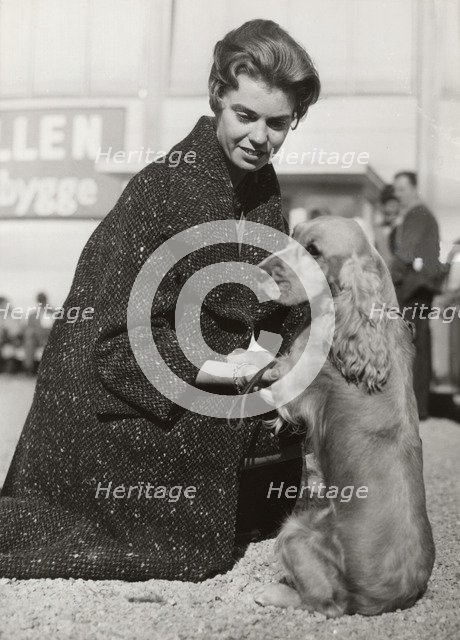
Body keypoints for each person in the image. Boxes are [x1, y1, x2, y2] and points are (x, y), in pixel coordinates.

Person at [0, 20, 320, 580]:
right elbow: (111, 346)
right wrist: (213, 367)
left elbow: (276, 307)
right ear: (217, 97)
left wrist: (263, 356)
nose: (259, 138)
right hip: (112, 398)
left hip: (202, 377)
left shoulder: (266, 195)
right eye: (245, 115)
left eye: (278, 124)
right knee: (189, 538)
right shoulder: (163, 187)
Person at [390, 171, 444, 420]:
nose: (397, 194)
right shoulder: (414, 215)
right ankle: (418, 407)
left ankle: (416, 408)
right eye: (396, 189)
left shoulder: (417, 214)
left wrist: (385, 277)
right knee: (416, 345)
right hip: (418, 289)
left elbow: (405, 253)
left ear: (413, 189)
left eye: (402, 189)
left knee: (412, 347)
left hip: (414, 290)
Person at [374, 184, 399, 267]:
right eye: (389, 205)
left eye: (394, 206)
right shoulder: (376, 230)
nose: (391, 209)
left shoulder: (401, 229)